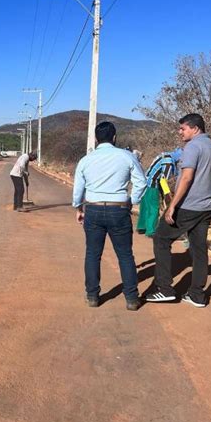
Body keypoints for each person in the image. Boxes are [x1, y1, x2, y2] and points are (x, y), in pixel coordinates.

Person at [146, 113, 211, 308]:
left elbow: (186, 178)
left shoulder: (192, 147)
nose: (180, 132)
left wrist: (172, 206)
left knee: (161, 238)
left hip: (189, 206)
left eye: (183, 128)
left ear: (195, 128)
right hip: (207, 206)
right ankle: (197, 294)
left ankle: (164, 289)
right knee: (198, 249)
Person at [72, 122, 147, 311]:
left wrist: (78, 207)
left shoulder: (86, 160)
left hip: (94, 209)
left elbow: (78, 188)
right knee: (125, 255)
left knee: (92, 254)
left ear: (96, 139)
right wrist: (132, 201)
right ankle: (131, 299)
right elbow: (141, 182)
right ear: (114, 137)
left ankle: (92, 296)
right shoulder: (127, 156)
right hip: (119, 209)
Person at [136, 148, 183, 237]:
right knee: (154, 207)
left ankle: (142, 227)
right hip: (152, 184)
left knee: (145, 206)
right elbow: (163, 180)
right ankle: (151, 230)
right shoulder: (168, 162)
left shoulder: (165, 155)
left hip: (145, 181)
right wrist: (167, 195)